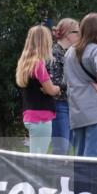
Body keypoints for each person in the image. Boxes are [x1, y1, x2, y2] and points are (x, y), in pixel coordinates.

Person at [63, 13, 97, 158]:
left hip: (77, 111)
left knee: (80, 157)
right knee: (96, 159)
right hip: (96, 111)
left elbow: (66, 80)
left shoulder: (70, 52)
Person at [16, 25, 59, 154]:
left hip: (30, 115)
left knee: (35, 155)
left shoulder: (25, 63)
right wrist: (57, 88)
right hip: (41, 117)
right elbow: (51, 90)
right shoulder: (38, 64)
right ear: (44, 42)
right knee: (39, 158)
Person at [49, 18, 79, 154]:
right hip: (59, 104)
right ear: (68, 34)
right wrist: (78, 82)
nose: (80, 35)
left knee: (69, 147)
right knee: (62, 148)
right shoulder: (55, 52)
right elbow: (55, 82)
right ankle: (56, 169)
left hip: (71, 103)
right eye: (77, 32)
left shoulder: (71, 52)